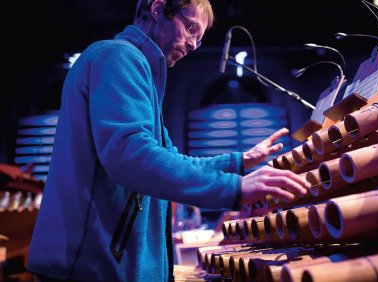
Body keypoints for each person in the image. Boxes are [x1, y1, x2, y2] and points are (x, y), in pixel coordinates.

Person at [27, 0, 310, 281]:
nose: (193, 45)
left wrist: (238, 162)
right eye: (190, 29)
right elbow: (131, 156)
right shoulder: (117, 57)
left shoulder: (140, 74)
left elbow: (171, 158)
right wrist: (234, 189)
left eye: (199, 39)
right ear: (158, 8)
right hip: (90, 268)